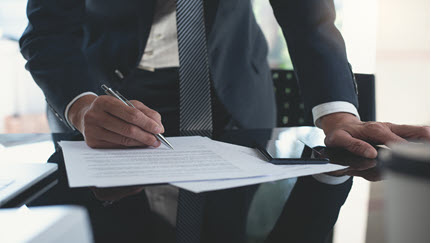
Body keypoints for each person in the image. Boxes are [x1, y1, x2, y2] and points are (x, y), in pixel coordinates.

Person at [19, 0, 429, 242]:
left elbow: (308, 17)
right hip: (104, 100)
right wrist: (80, 104)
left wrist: (338, 115)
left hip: (232, 94)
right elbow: (47, 33)